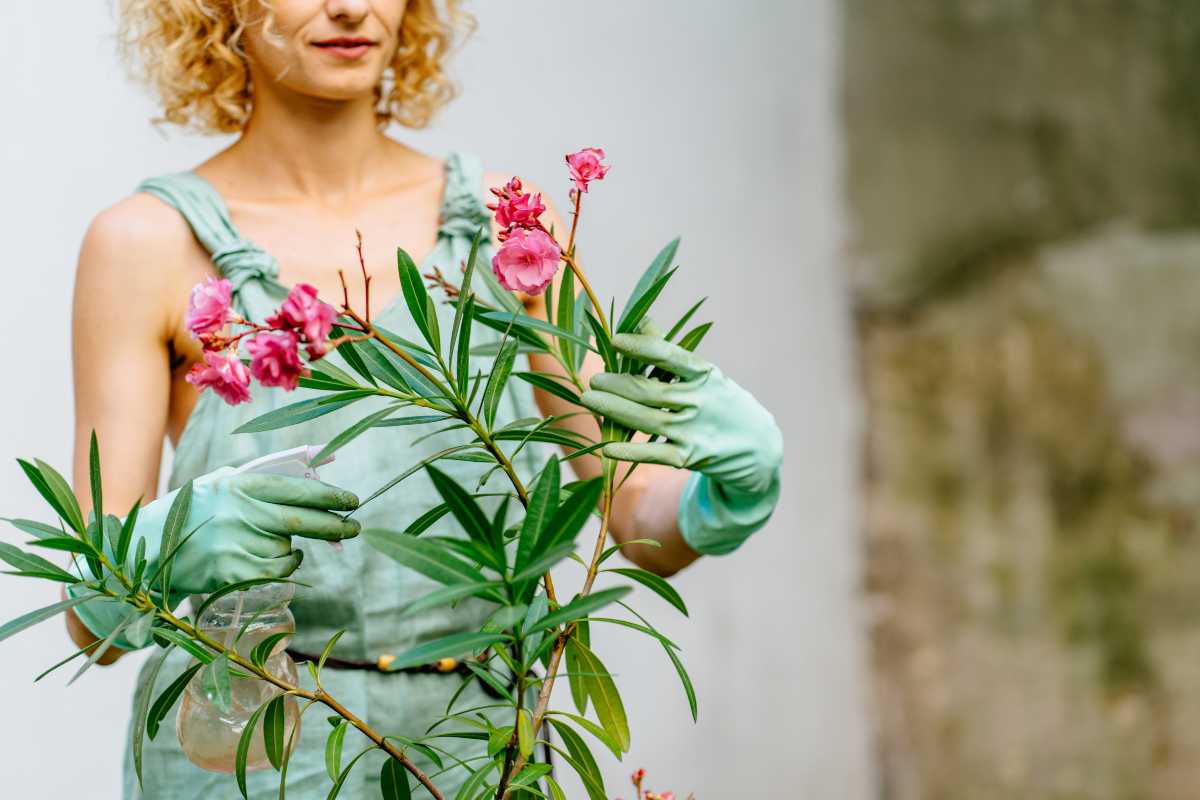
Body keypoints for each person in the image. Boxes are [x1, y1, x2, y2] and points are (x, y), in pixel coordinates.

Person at [67, 1, 784, 796]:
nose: (350, 6)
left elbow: (627, 509)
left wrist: (718, 500)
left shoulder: (507, 222)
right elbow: (93, 621)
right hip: (248, 754)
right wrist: (171, 544)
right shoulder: (145, 244)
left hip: (476, 746)